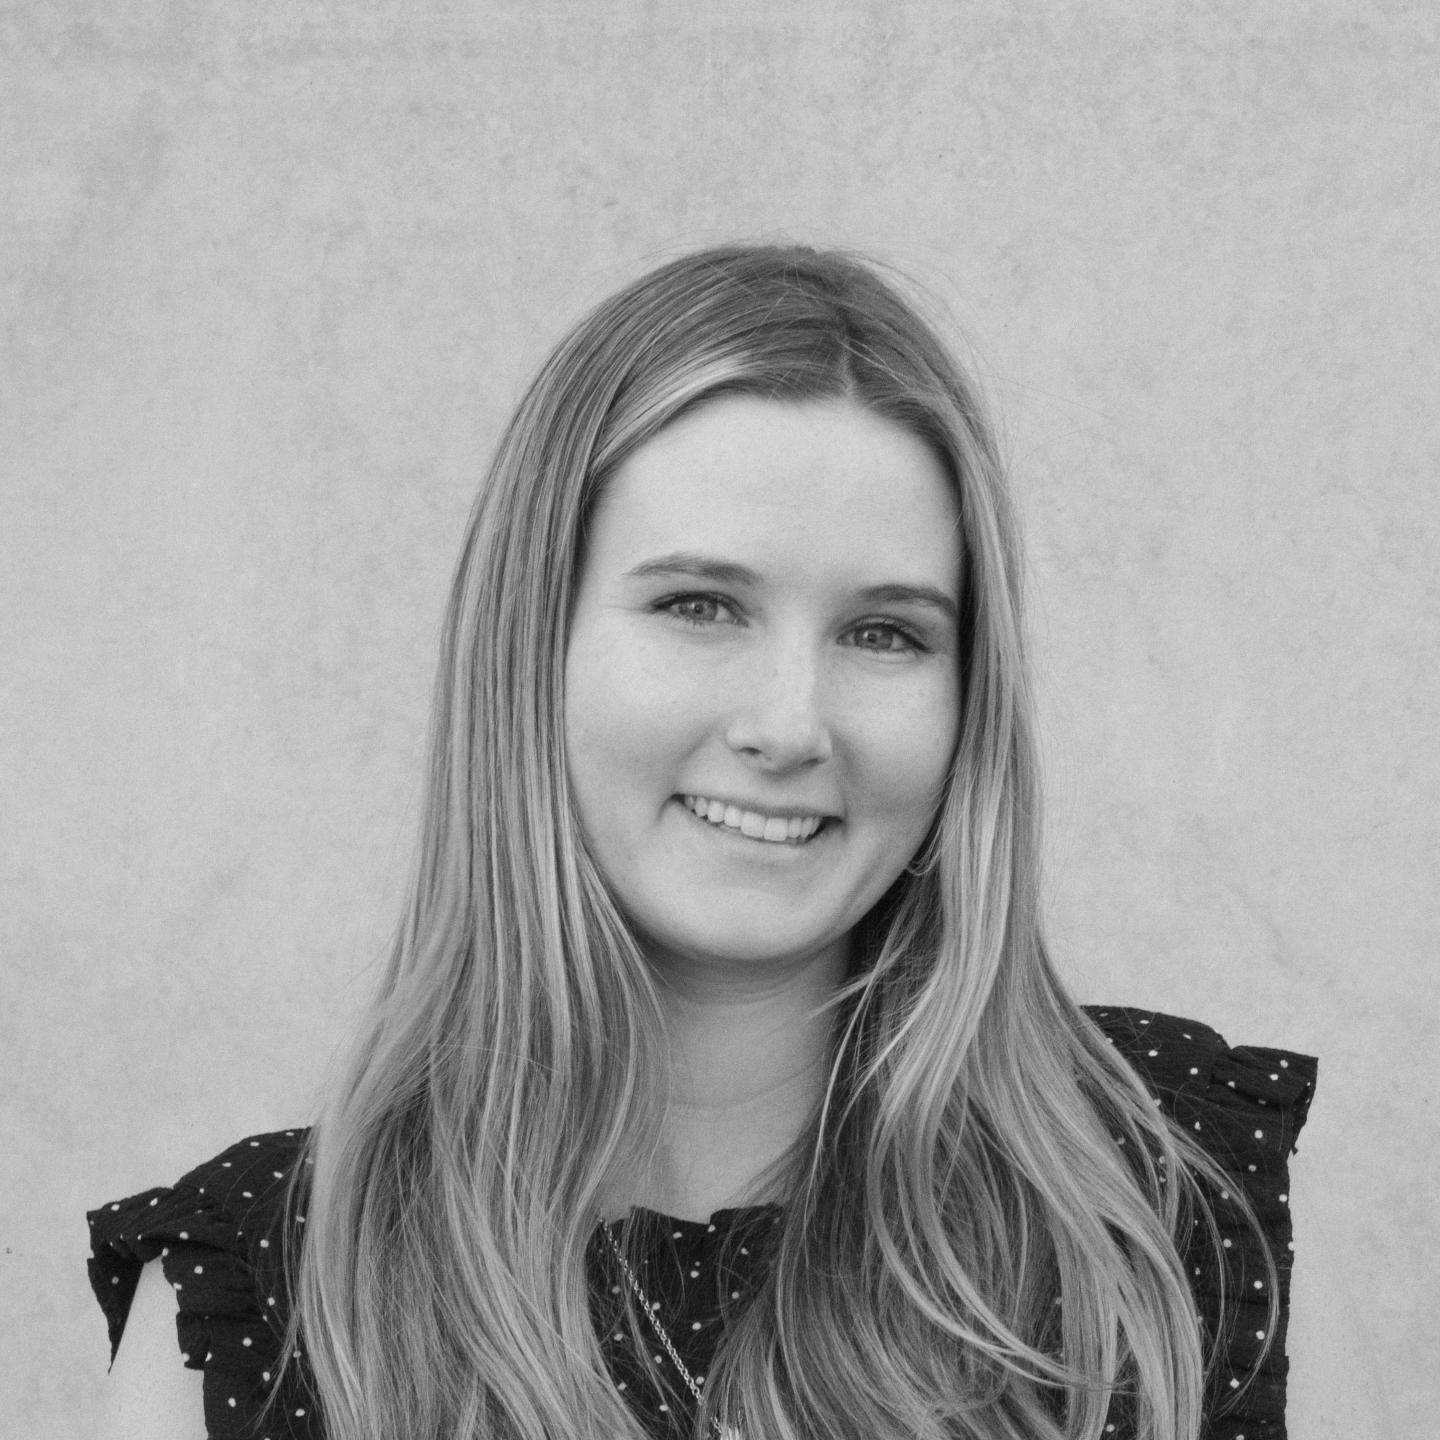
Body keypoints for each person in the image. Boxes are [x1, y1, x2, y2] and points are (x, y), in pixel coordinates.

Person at [88, 244, 1316, 1440]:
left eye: (885, 633)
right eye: (699, 606)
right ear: (532, 647)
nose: (790, 725)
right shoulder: (257, 1291)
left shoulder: (1185, 1197)